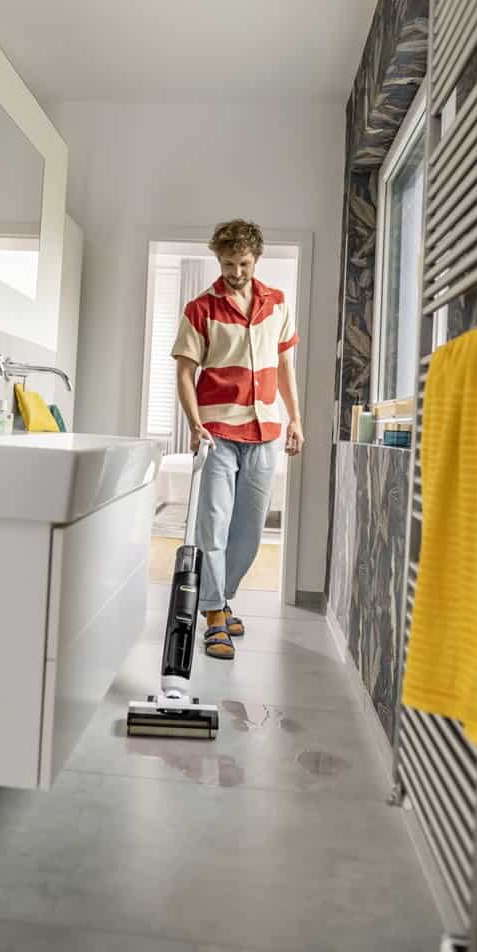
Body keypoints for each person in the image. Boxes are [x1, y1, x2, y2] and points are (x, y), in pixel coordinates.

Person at [172, 219, 304, 660]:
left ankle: (222, 596)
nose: (235, 272)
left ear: (256, 258)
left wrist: (295, 418)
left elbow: (284, 367)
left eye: (243, 263)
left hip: (265, 431)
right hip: (217, 432)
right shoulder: (200, 308)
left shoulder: (277, 304)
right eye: (228, 264)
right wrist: (195, 424)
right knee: (212, 523)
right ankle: (213, 614)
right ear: (218, 260)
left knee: (249, 531)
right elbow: (185, 372)